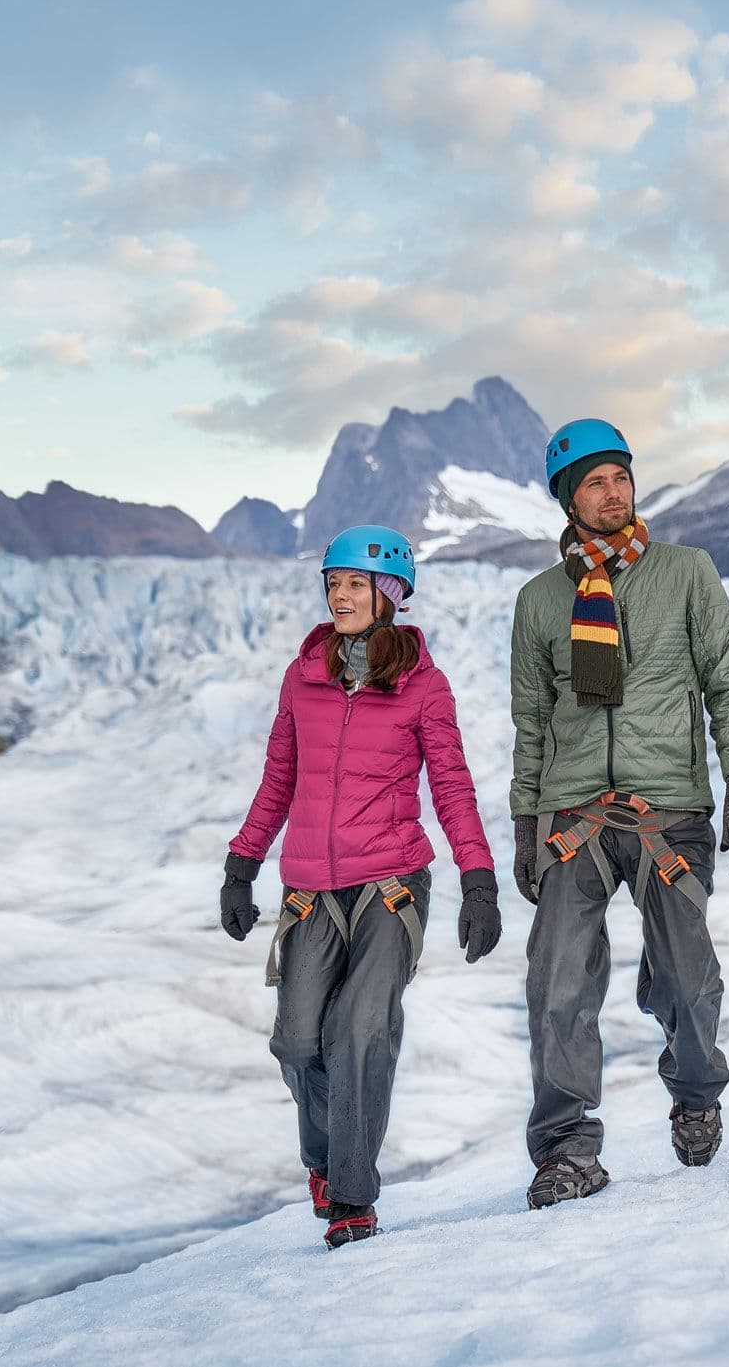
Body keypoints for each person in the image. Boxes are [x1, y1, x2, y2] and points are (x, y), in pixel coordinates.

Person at [509, 419, 729, 1210]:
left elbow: (727, 679)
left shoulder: (687, 573)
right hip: (573, 813)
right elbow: (530, 720)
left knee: (688, 981)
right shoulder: (539, 601)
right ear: (567, 498)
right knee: (555, 983)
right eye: (593, 481)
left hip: (669, 808)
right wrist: (526, 823)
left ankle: (695, 1092)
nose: (613, 490)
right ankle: (566, 1152)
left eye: (619, 475)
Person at [220, 524, 501, 1248]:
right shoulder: (302, 676)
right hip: (311, 886)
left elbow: (452, 786)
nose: (340, 595)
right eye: (333, 583)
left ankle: (352, 1196)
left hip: (391, 884)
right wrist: (241, 862)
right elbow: (279, 778)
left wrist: (477, 879)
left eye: (356, 583)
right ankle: (324, 1156)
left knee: (357, 1032)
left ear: (391, 595)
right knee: (295, 1042)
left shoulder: (423, 687)